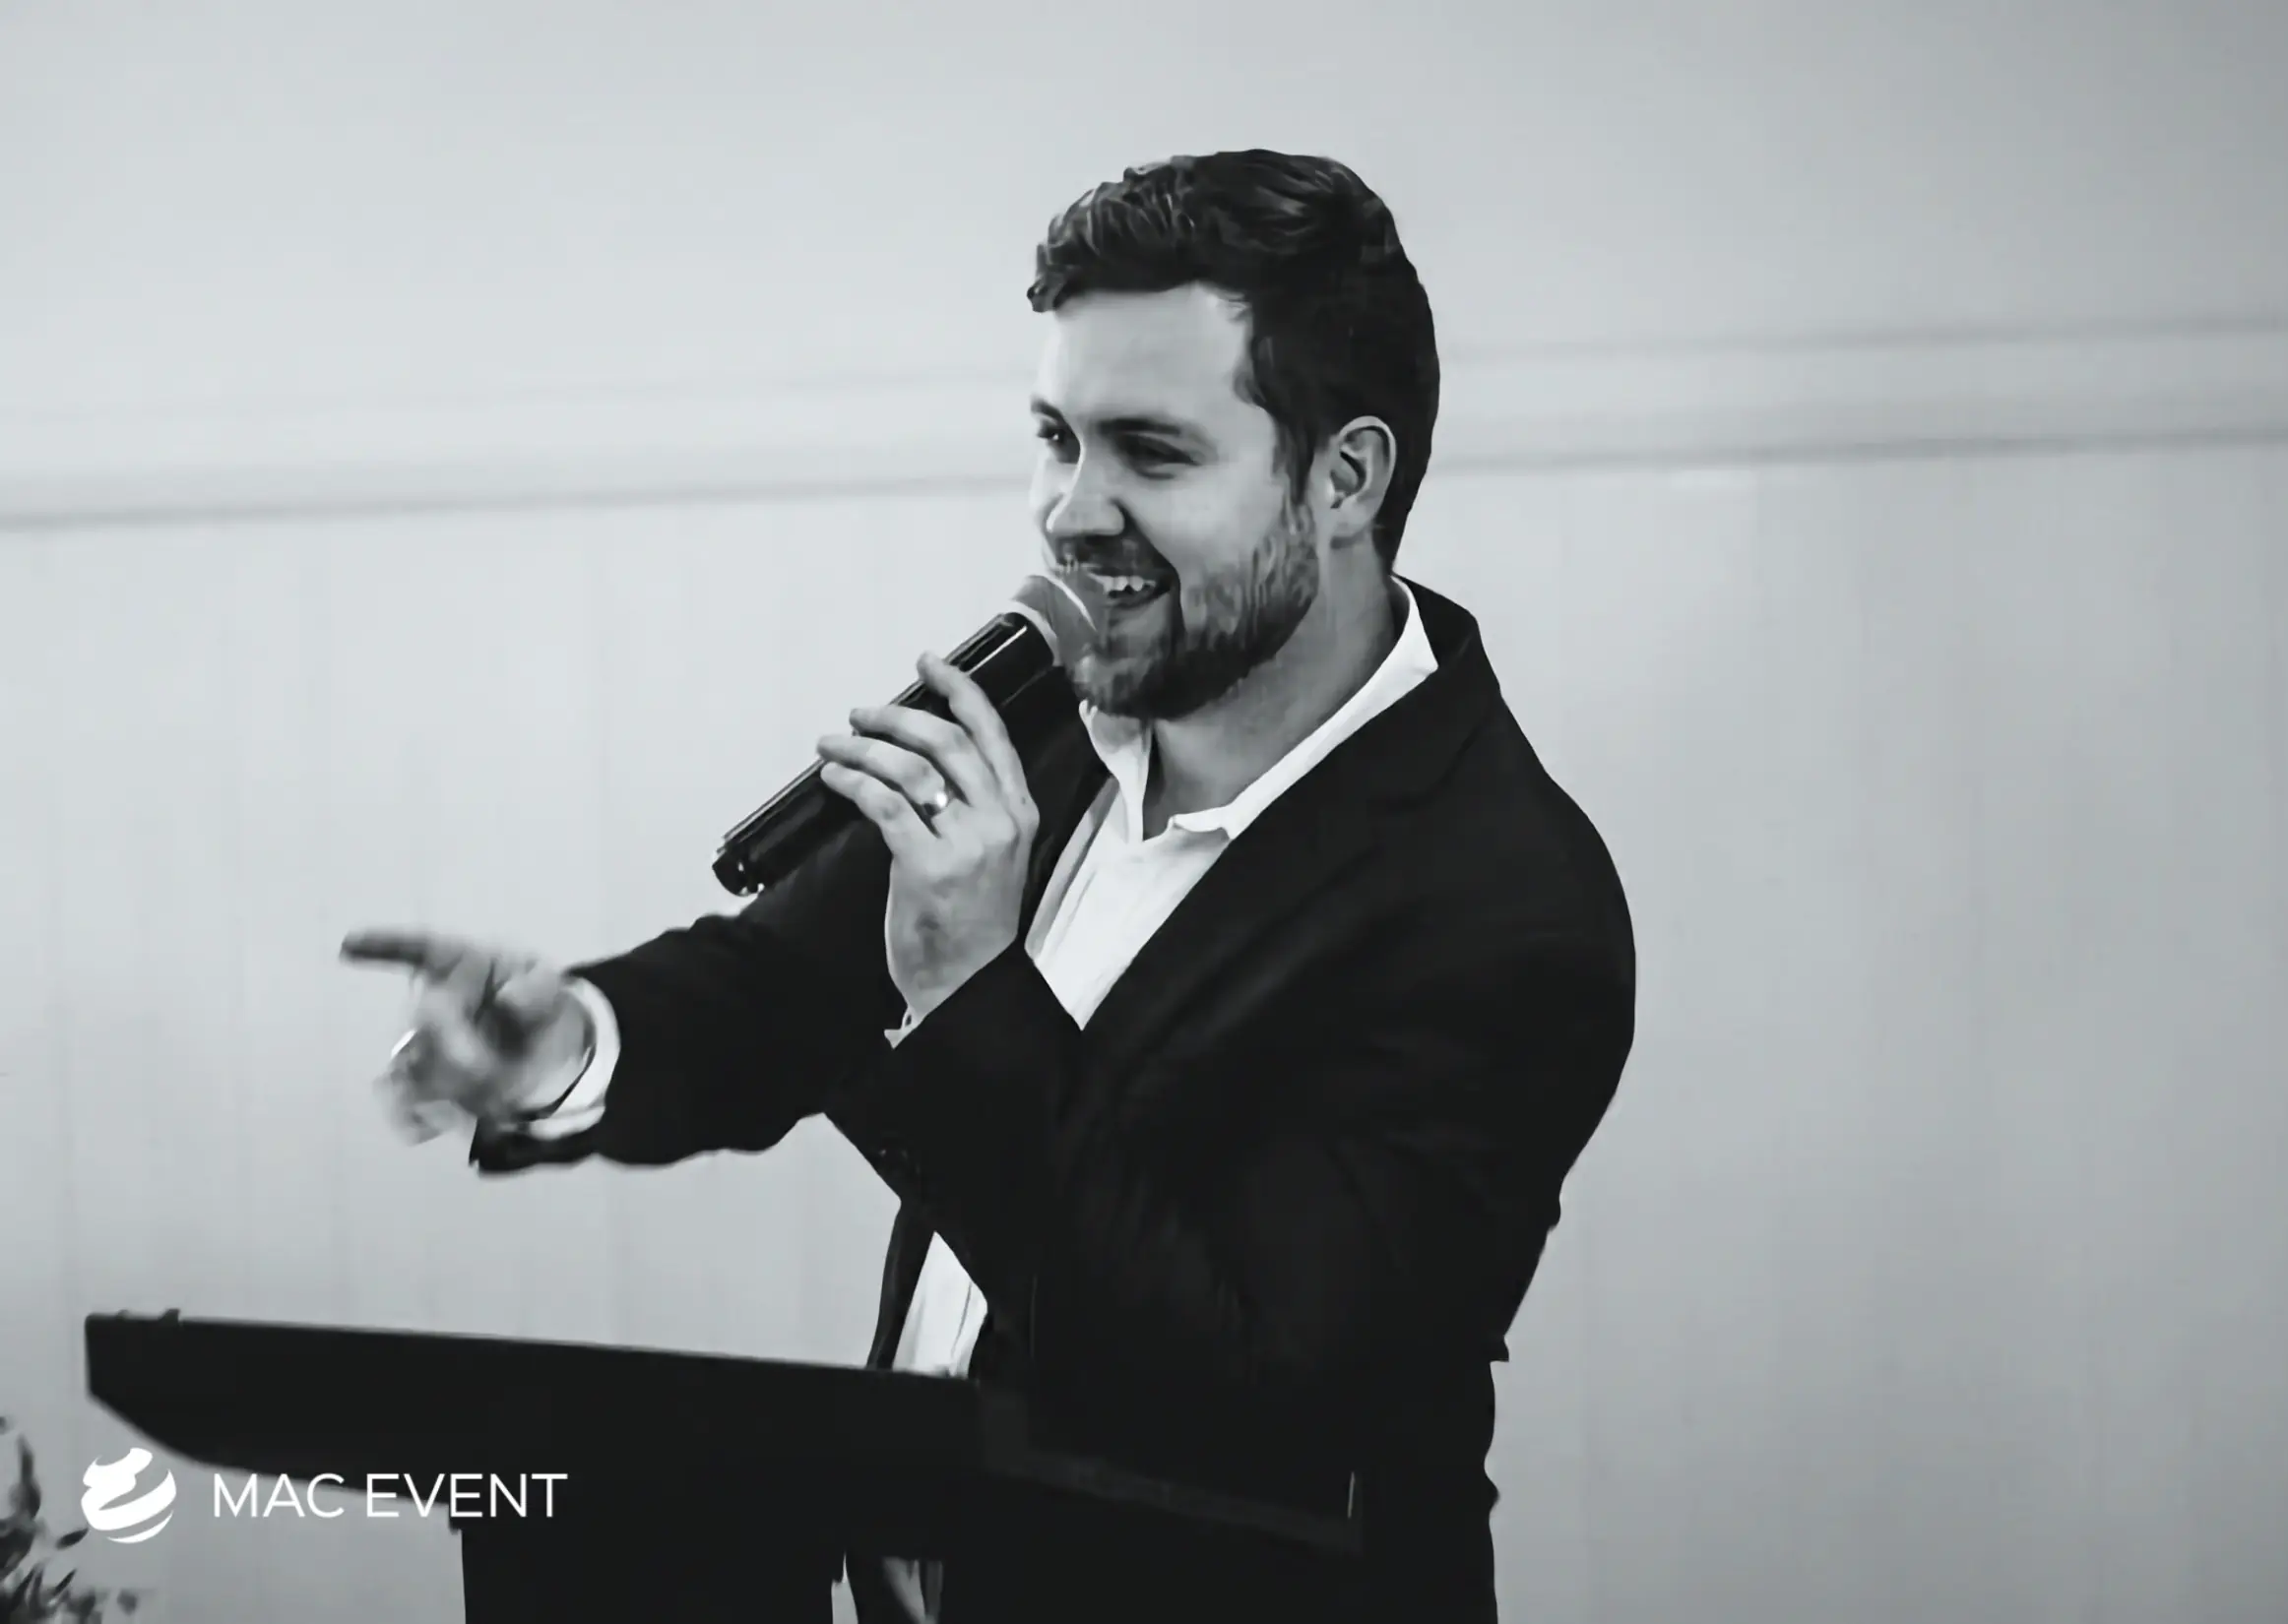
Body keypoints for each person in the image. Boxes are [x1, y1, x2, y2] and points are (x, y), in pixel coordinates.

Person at [344, 149, 1635, 1624]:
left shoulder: (1504, 904)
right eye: (1056, 440)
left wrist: (966, 990)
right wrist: (566, 1043)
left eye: (1151, 454)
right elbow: (779, 987)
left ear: (1345, 479)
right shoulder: (1054, 709)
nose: (1071, 513)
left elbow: (1237, 1394)